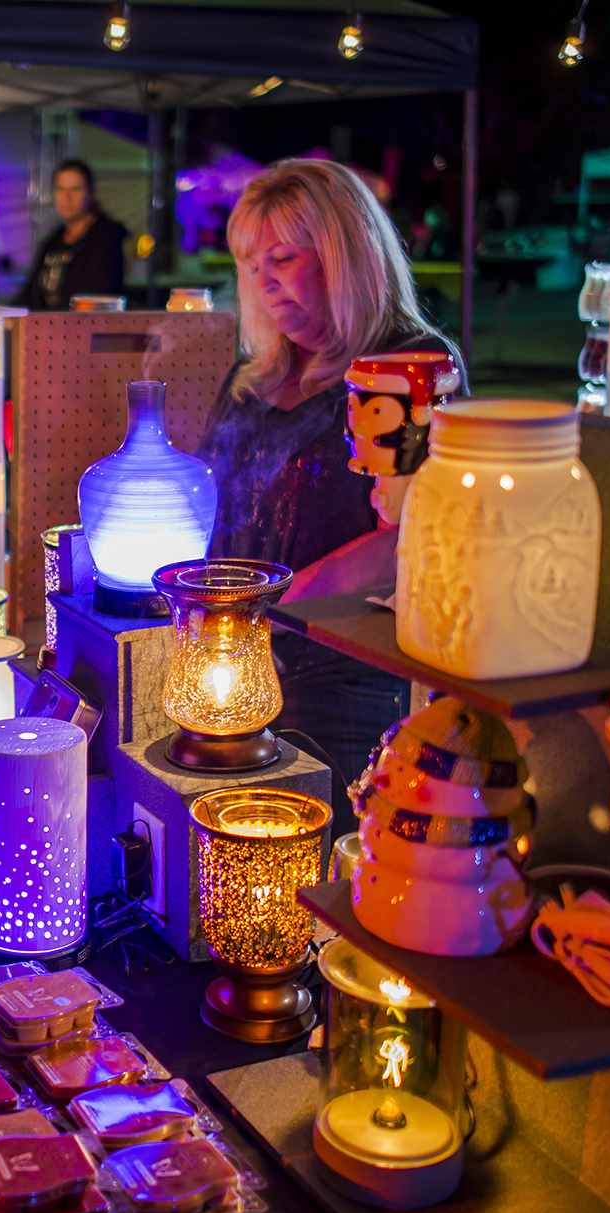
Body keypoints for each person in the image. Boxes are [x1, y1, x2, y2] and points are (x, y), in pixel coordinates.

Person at [198, 158, 466, 833]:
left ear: (347, 257)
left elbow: (420, 533)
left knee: (329, 879)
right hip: (241, 666)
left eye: (284, 257)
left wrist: (279, 609)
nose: (263, 279)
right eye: (252, 262)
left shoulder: (410, 371)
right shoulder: (255, 376)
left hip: (343, 681)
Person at [17, 159, 127, 310]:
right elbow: (30, 294)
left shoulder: (106, 238)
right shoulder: (53, 241)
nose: (67, 197)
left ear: (90, 193)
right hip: (47, 328)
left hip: (85, 329)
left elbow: (95, 296)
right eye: (60, 189)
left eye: (75, 189)